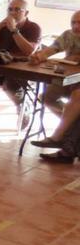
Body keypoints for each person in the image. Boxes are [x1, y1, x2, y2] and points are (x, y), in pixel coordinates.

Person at [28, 10, 80, 160]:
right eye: (73, 22)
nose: (76, 26)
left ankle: (58, 136)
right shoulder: (68, 35)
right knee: (46, 98)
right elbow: (51, 50)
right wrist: (39, 57)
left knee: (78, 94)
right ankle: (68, 126)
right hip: (70, 77)